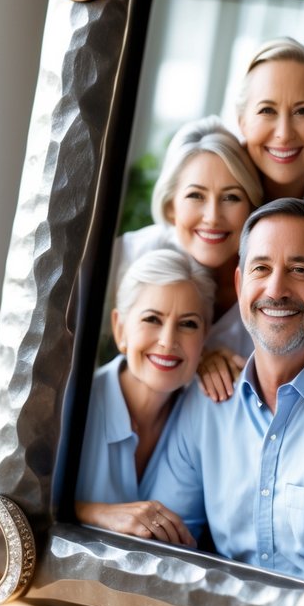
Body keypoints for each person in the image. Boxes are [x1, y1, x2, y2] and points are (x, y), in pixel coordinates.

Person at [140, 199, 304, 582]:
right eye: (261, 269)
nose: (276, 290)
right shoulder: (207, 401)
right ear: (241, 286)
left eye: (299, 270)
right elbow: (159, 550)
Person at [112, 116, 263, 400]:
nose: (213, 217)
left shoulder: (266, 284)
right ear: (171, 208)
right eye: (196, 195)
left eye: (231, 198)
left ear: (251, 208)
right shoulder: (127, 256)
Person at [75, 248, 215, 545]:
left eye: (188, 323)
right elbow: (22, 505)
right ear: (120, 329)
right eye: (152, 319)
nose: (167, 341)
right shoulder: (74, 407)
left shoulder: (208, 414)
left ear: (205, 337)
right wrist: (97, 513)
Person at [236, 37, 304, 217]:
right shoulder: (209, 191)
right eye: (267, 110)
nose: (284, 133)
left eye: (302, 111)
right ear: (242, 120)